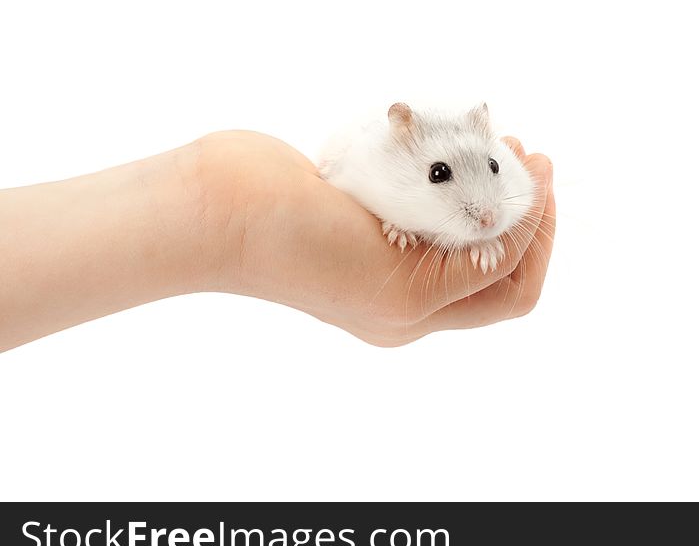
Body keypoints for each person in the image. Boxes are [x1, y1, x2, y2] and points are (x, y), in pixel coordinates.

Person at [0, 130, 555, 352]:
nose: (483, 210)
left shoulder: (497, 186)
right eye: (439, 176)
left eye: (490, 167)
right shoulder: (376, 164)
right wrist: (232, 216)